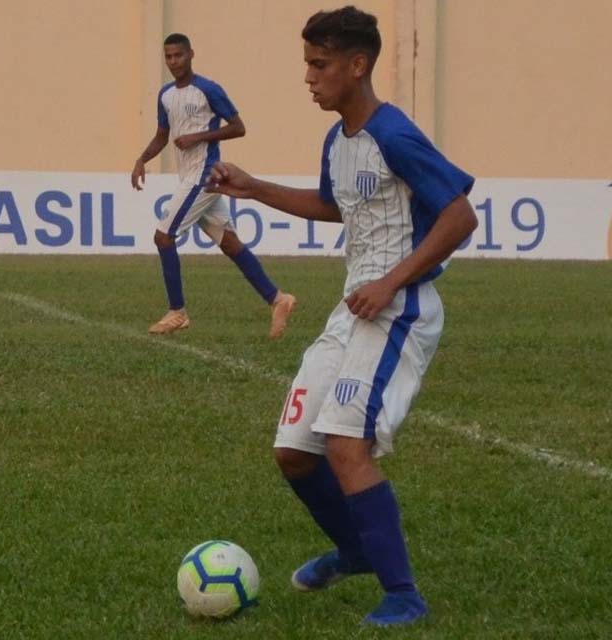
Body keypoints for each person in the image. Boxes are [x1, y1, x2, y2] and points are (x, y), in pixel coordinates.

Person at [205, 6, 478, 627]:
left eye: (319, 64)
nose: (308, 76)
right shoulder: (340, 138)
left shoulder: (394, 133)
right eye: (307, 63)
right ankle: (354, 550)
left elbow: (459, 217)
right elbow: (334, 204)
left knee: (346, 443)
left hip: (399, 310)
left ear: (357, 65)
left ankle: (404, 594)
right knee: (294, 452)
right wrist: (252, 186)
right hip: (353, 309)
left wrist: (389, 282)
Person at [132, 33, 297, 337]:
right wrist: (142, 159)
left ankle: (177, 312)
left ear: (191, 54)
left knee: (163, 237)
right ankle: (278, 299)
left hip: (205, 175)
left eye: (178, 56)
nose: (173, 62)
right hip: (189, 176)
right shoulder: (166, 95)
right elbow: (162, 135)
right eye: (168, 57)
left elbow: (238, 128)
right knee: (230, 243)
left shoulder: (208, 90)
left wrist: (197, 138)